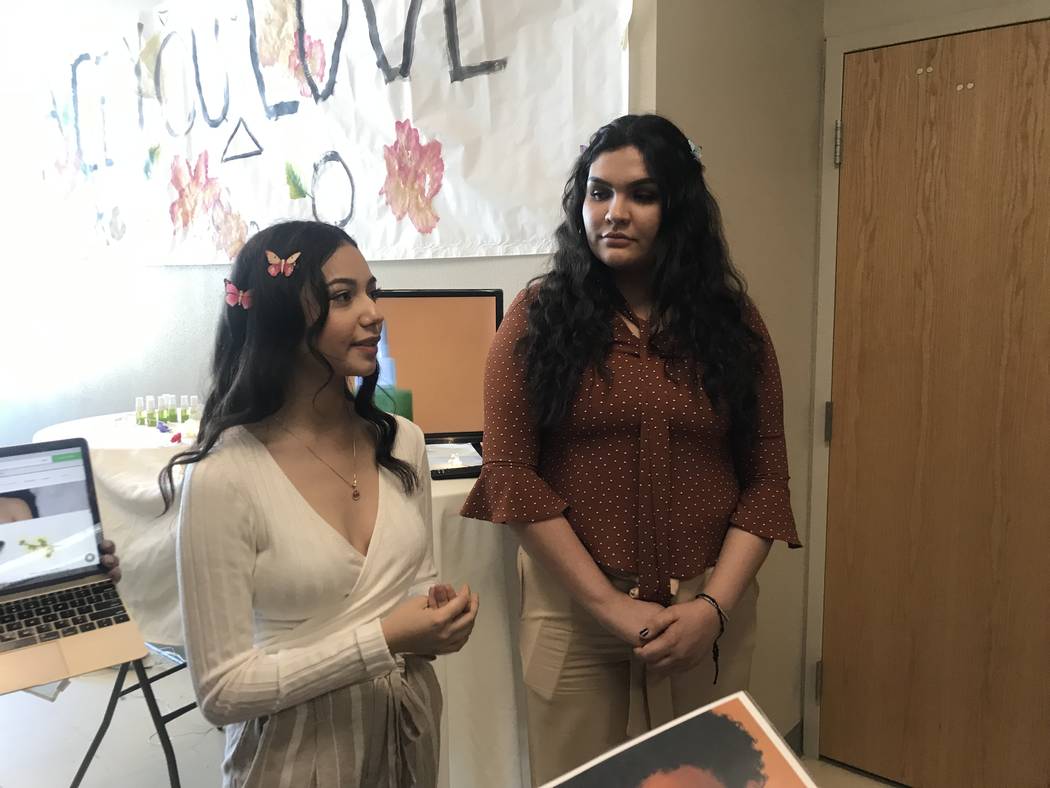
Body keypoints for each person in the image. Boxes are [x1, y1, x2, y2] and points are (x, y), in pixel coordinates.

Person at [462, 114, 801, 784]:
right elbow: (510, 476)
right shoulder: (535, 319)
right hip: (577, 616)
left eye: (641, 194)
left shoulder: (734, 325)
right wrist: (611, 608)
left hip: (705, 618)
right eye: (598, 192)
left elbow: (766, 483)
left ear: (680, 207)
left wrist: (711, 610)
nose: (613, 213)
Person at [159, 220, 479, 788]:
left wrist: (437, 620)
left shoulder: (401, 442)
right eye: (342, 297)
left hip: (407, 736)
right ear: (280, 317)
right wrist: (384, 639)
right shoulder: (224, 477)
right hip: (294, 758)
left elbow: (414, 585)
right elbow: (221, 691)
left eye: (371, 291)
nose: (373, 312)